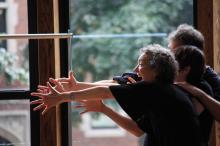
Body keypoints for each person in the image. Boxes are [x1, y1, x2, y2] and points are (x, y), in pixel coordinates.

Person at [31, 44, 202, 146]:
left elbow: (107, 91)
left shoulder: (154, 89)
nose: (136, 70)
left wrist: (63, 97)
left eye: (141, 64)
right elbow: (136, 129)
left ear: (156, 70)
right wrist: (76, 88)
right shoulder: (163, 92)